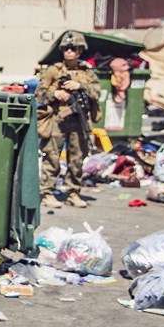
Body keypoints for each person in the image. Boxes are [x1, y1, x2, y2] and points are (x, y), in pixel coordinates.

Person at [36, 31, 100, 209]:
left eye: (73, 48)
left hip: (78, 120)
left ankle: (73, 192)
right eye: (66, 48)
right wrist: (55, 93)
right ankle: (46, 192)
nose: (69, 52)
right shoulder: (53, 70)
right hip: (57, 119)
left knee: (77, 158)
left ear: (80, 51)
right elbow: (39, 93)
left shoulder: (86, 72)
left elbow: (97, 93)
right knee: (52, 157)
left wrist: (80, 86)